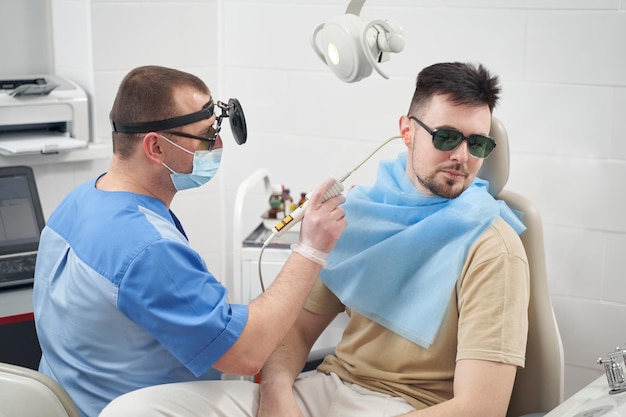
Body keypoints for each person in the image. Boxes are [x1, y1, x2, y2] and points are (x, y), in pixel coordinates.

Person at [99, 62, 530, 417]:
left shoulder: (493, 248)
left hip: (406, 409)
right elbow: (294, 331)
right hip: (324, 391)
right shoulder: (361, 212)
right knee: (132, 411)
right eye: (447, 137)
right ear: (407, 130)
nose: (461, 157)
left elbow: (482, 407)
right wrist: (276, 395)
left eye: (478, 144)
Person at [32, 65, 347, 417]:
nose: (218, 145)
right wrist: (310, 248)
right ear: (155, 147)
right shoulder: (148, 249)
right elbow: (246, 355)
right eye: (206, 135)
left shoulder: (79, 202)